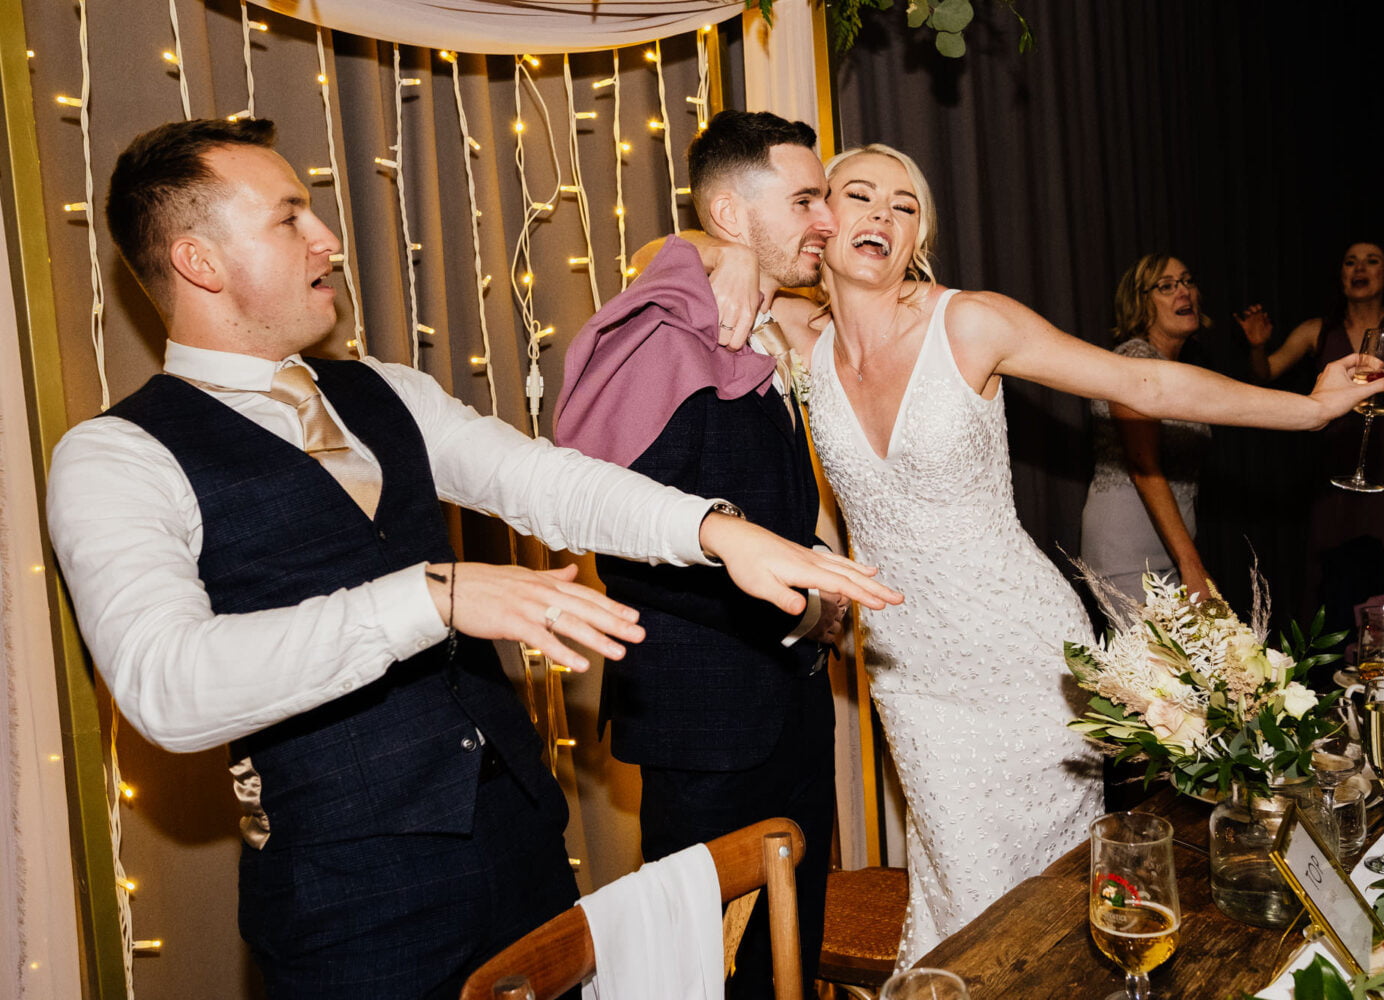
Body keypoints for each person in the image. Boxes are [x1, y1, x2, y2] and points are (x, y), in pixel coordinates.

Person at [45, 117, 900, 999]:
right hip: (352, 906)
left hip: (525, 846)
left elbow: (545, 481)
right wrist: (433, 595)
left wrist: (717, 530)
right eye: (289, 217)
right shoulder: (114, 457)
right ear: (200, 261)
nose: (327, 237)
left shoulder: (386, 391)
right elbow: (165, 686)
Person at [687, 143, 1384, 965]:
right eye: (859, 195)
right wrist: (732, 253)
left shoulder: (971, 322)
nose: (882, 213)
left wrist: (1308, 411)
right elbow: (657, 259)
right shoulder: (798, 335)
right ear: (822, 220)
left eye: (905, 204)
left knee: (1040, 894)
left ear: (918, 239)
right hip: (912, 675)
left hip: (1025, 659)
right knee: (960, 886)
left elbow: (1143, 387)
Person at [553, 110, 845, 999]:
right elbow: (629, 542)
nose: (825, 220)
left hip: (792, 715)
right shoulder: (660, 340)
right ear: (727, 212)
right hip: (708, 723)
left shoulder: (760, 324)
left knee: (790, 956)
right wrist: (804, 614)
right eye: (804, 200)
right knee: (697, 972)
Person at [1239, 241, 1384, 620]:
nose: (1359, 268)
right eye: (1350, 262)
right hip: (1339, 458)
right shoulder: (1315, 331)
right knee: (1333, 565)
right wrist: (1257, 346)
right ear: (1341, 276)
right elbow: (1264, 373)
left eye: (1371, 261)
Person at [1080, 254, 1215, 617]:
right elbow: (1143, 466)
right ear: (1140, 303)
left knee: (1191, 669)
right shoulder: (1135, 362)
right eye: (1166, 286)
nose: (1183, 292)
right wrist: (1192, 565)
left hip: (1170, 547)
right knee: (1154, 671)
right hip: (1128, 550)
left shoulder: (1175, 368)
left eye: (1187, 281)